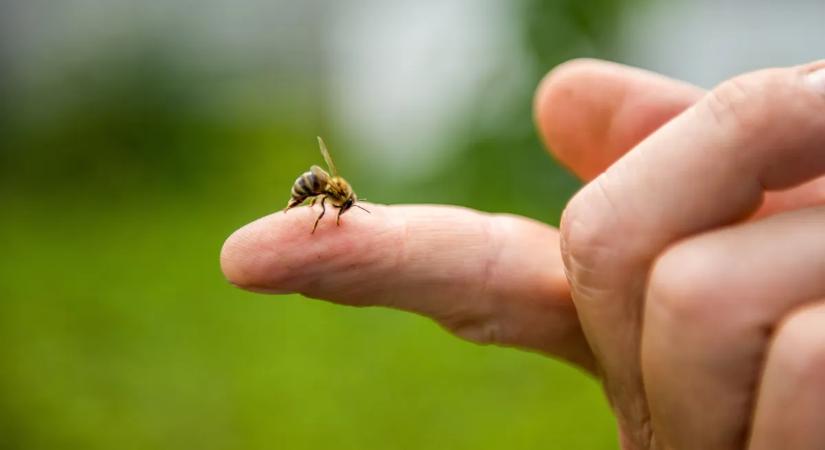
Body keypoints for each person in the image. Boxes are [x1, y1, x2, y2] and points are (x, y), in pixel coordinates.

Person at [220, 59, 825, 450]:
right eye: (339, 203)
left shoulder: (338, 198)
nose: (338, 204)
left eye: (339, 203)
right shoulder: (330, 194)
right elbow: (323, 195)